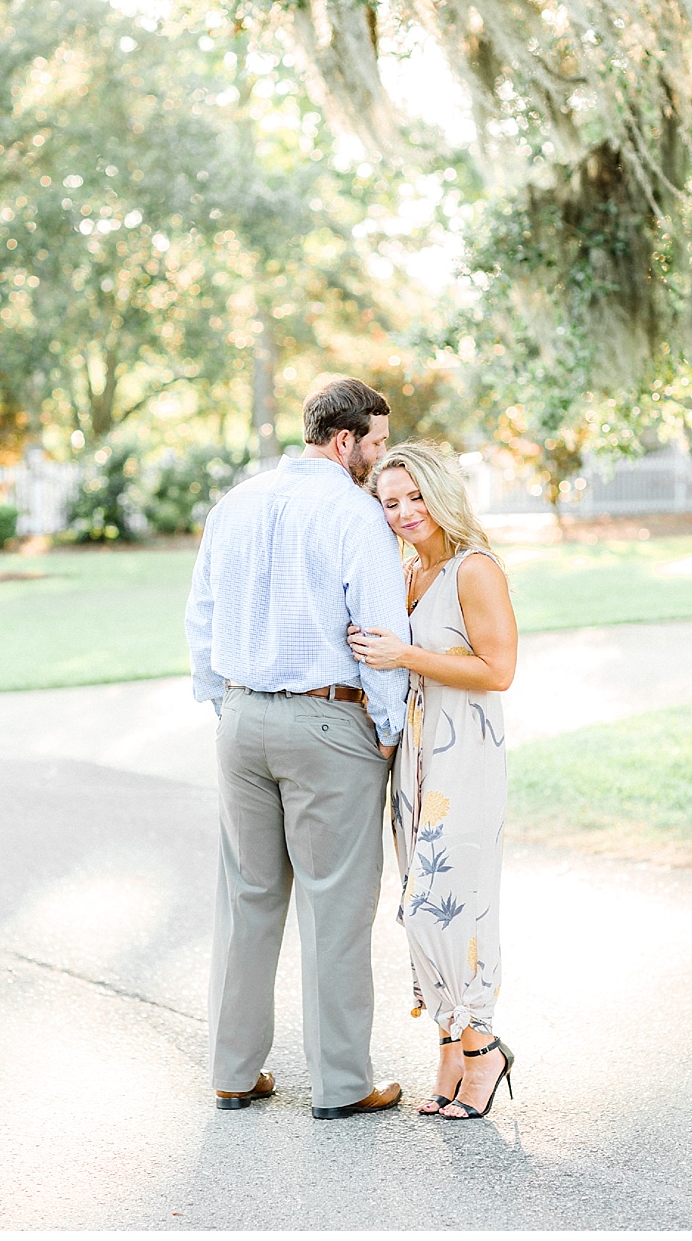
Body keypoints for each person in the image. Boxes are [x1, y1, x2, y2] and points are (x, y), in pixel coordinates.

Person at [186, 377, 410, 1119]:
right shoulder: (355, 514)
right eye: (376, 444)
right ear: (343, 441)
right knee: (336, 908)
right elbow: (381, 635)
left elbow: (202, 618)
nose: (382, 460)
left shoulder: (236, 505)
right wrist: (386, 729)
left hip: (241, 722)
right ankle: (344, 1087)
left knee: (246, 900)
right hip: (329, 723)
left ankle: (232, 1072)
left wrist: (225, 705)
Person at [348, 442, 519, 1121]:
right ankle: (449, 1043)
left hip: (465, 759)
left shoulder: (473, 570)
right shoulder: (408, 571)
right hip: (414, 763)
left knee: (452, 902)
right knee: (417, 904)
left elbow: (498, 670)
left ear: (441, 493)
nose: (404, 512)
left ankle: (483, 1047)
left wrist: (406, 654)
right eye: (390, 503)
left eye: (415, 496)